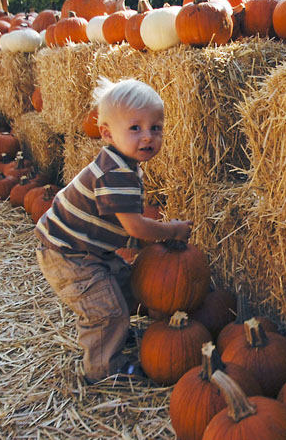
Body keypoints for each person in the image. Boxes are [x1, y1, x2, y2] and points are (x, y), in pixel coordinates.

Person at [34, 77, 193, 384]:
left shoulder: (123, 162)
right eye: (135, 128)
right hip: (67, 253)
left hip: (86, 248)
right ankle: (104, 373)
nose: (147, 137)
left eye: (155, 128)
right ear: (107, 133)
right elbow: (133, 225)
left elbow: (124, 225)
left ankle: (118, 336)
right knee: (107, 312)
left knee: (127, 284)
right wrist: (171, 231)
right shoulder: (116, 172)